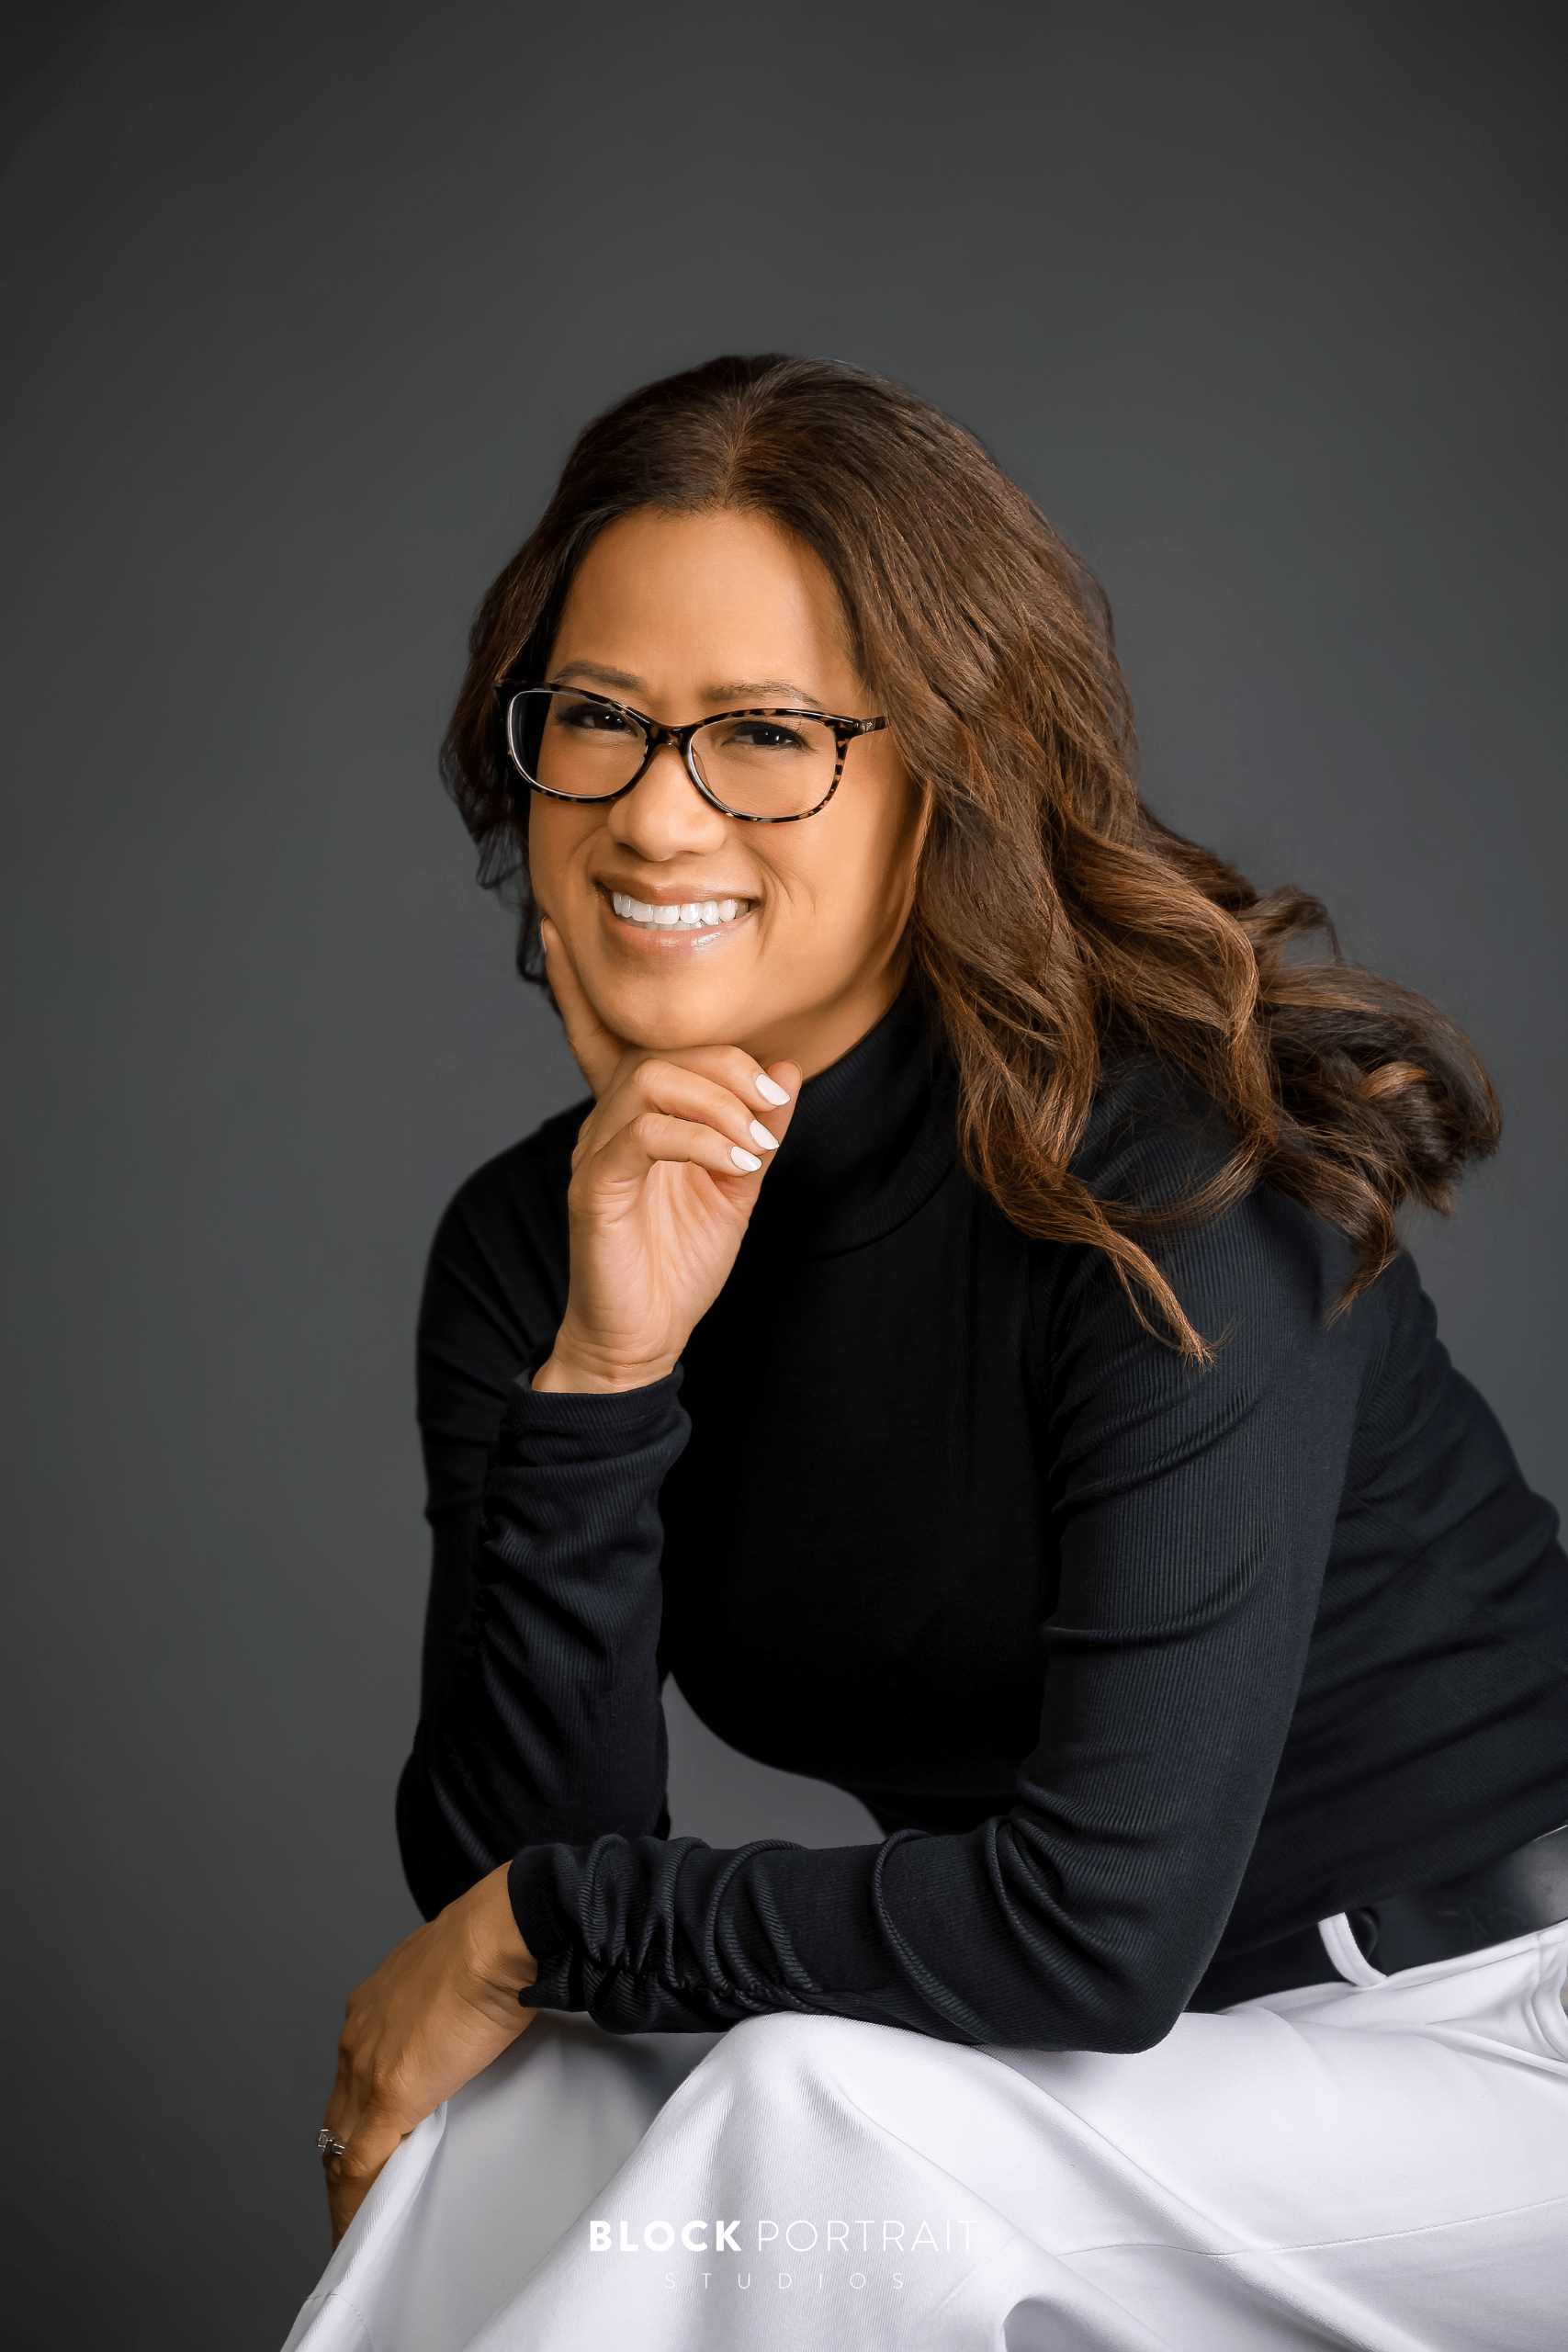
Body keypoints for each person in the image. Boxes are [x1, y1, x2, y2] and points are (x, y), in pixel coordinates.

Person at [284, 356, 1568, 2352]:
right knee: (517, 2126)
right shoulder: (537, 1245)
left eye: (766, 734)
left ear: (942, 780)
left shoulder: (1169, 1184)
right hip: (1109, 2068)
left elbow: (1082, 1920)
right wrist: (610, 1373)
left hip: (1489, 2039)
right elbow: (501, 1895)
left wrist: (551, 1920)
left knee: (810, 2119)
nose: (654, 809)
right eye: (598, 721)